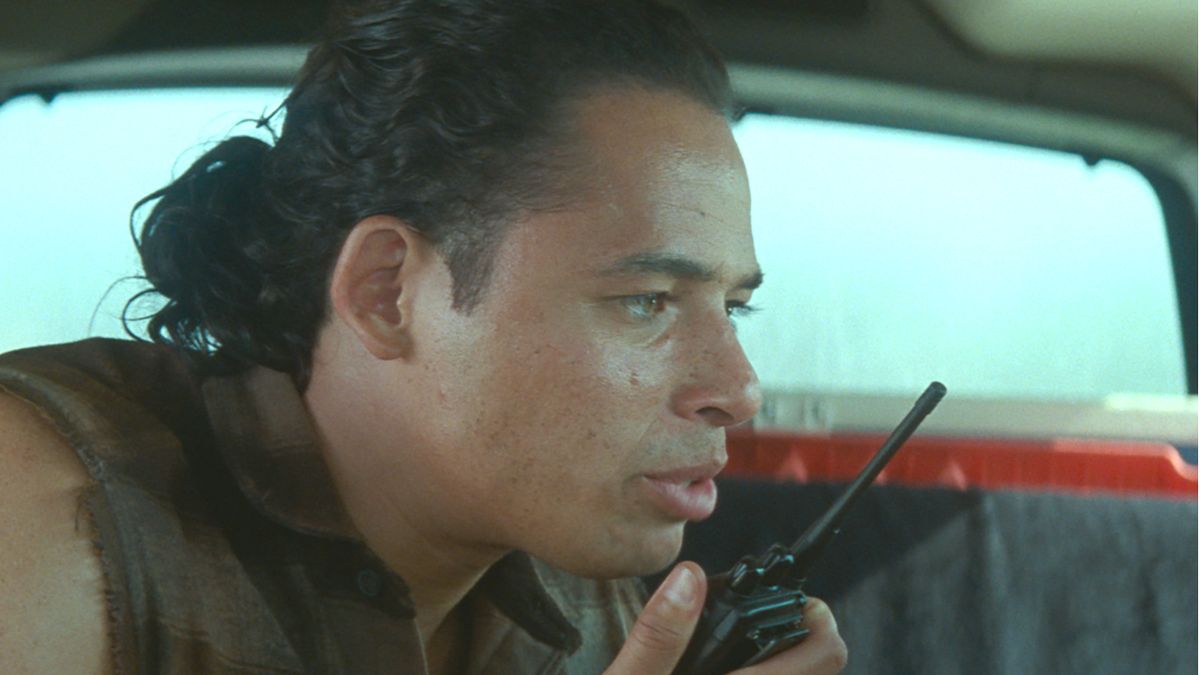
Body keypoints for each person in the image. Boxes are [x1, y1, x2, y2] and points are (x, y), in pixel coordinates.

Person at [0, 0, 848, 672]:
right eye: (647, 301)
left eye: (732, 307)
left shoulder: (593, 599)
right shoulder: (50, 508)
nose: (737, 389)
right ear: (386, 293)